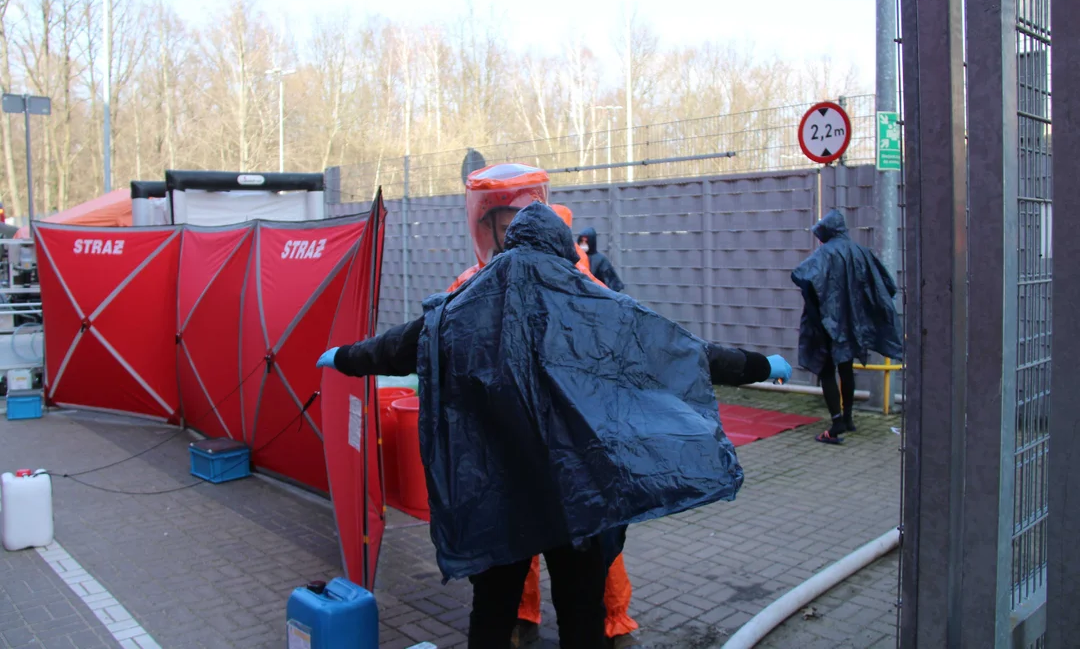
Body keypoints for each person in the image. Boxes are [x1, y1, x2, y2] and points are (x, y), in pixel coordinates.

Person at [318, 201, 793, 648]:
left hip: (496, 491)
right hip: (576, 488)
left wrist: (343, 357)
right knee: (581, 607)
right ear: (564, 249)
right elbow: (682, 350)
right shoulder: (594, 305)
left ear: (510, 244)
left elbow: (394, 347)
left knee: (493, 607)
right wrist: (759, 365)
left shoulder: (458, 308)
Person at [445, 165, 637, 647]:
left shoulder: (578, 289)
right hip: (528, 472)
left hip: (553, 472)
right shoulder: (471, 290)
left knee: (574, 590)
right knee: (523, 592)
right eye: (505, 228)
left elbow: (640, 344)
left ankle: (603, 619)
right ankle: (533, 616)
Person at [791, 209, 902, 445]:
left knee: (826, 370)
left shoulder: (825, 253)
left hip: (829, 322)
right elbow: (885, 286)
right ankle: (849, 418)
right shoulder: (861, 252)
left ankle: (837, 421)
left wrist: (816, 313)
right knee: (845, 367)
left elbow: (802, 276)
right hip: (853, 323)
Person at [577, 227, 625, 293]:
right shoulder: (575, 258)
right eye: (581, 242)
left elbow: (614, 284)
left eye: (586, 242)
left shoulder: (601, 260)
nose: (583, 244)